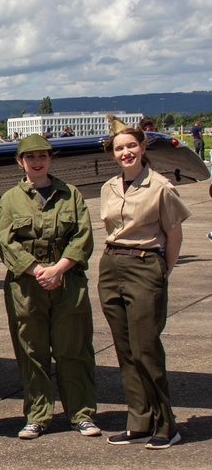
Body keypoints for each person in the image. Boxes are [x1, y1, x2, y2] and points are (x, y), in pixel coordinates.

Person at [0, 134, 100, 440]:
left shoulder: (71, 194)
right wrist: (39, 270)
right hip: (27, 285)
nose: (37, 162)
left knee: (74, 350)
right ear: (20, 162)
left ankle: (82, 414)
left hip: (67, 282)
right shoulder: (10, 200)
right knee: (32, 351)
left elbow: (83, 236)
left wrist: (59, 269)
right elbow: (6, 242)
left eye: (42, 156)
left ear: (50, 159)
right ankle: (37, 415)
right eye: (30, 158)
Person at [98, 116, 191, 450]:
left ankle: (167, 424)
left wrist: (161, 272)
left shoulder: (161, 186)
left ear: (142, 147)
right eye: (120, 148)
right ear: (113, 153)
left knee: (146, 349)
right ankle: (138, 420)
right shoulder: (109, 187)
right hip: (111, 265)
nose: (126, 153)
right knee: (125, 351)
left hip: (144, 264)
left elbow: (175, 234)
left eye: (131, 146)